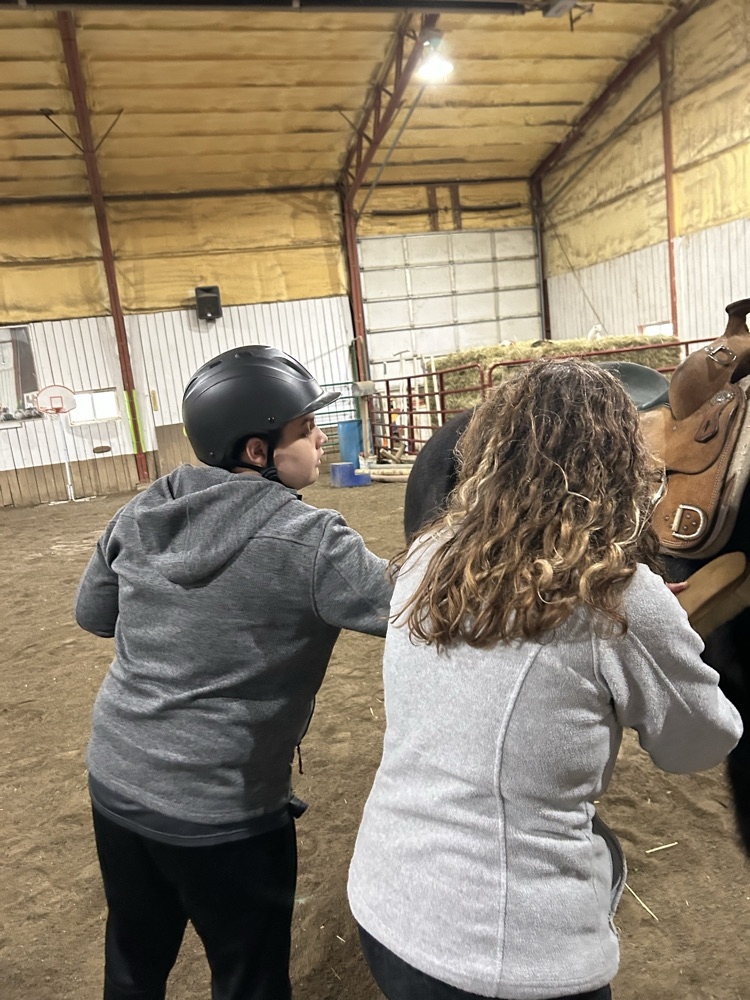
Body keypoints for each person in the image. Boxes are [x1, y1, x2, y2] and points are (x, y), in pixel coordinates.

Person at [347, 358, 743, 1000]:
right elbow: (700, 743)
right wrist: (667, 635)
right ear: (622, 461)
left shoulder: (428, 554)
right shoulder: (620, 596)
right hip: (508, 954)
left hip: (385, 898)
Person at [75, 345, 393, 1000]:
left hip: (117, 778)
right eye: (305, 429)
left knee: (133, 959)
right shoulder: (312, 540)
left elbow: (94, 615)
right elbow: (418, 607)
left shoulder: (143, 509)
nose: (320, 437)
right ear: (257, 451)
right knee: (249, 979)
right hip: (224, 809)